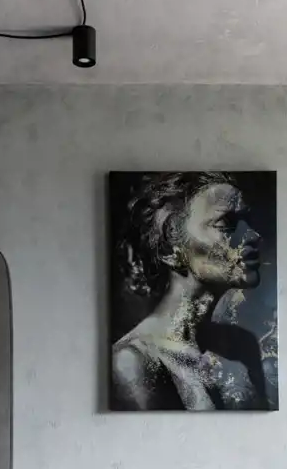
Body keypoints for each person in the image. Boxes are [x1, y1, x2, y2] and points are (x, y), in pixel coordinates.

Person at [111, 172, 270, 410]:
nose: (252, 236)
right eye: (226, 224)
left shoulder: (242, 347)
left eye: (247, 220)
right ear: (169, 249)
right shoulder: (133, 361)